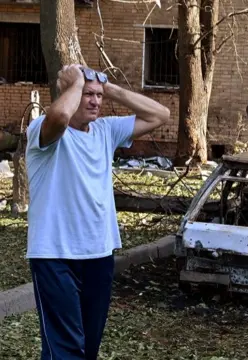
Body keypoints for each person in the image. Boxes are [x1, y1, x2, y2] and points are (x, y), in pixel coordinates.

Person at [25, 64, 169, 360]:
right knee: (64, 349)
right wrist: (76, 83)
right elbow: (61, 116)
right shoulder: (43, 130)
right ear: (69, 93)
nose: (94, 101)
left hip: (99, 254)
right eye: (87, 94)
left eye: (98, 96)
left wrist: (110, 89)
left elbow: (160, 115)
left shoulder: (106, 130)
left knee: (88, 347)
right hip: (55, 256)